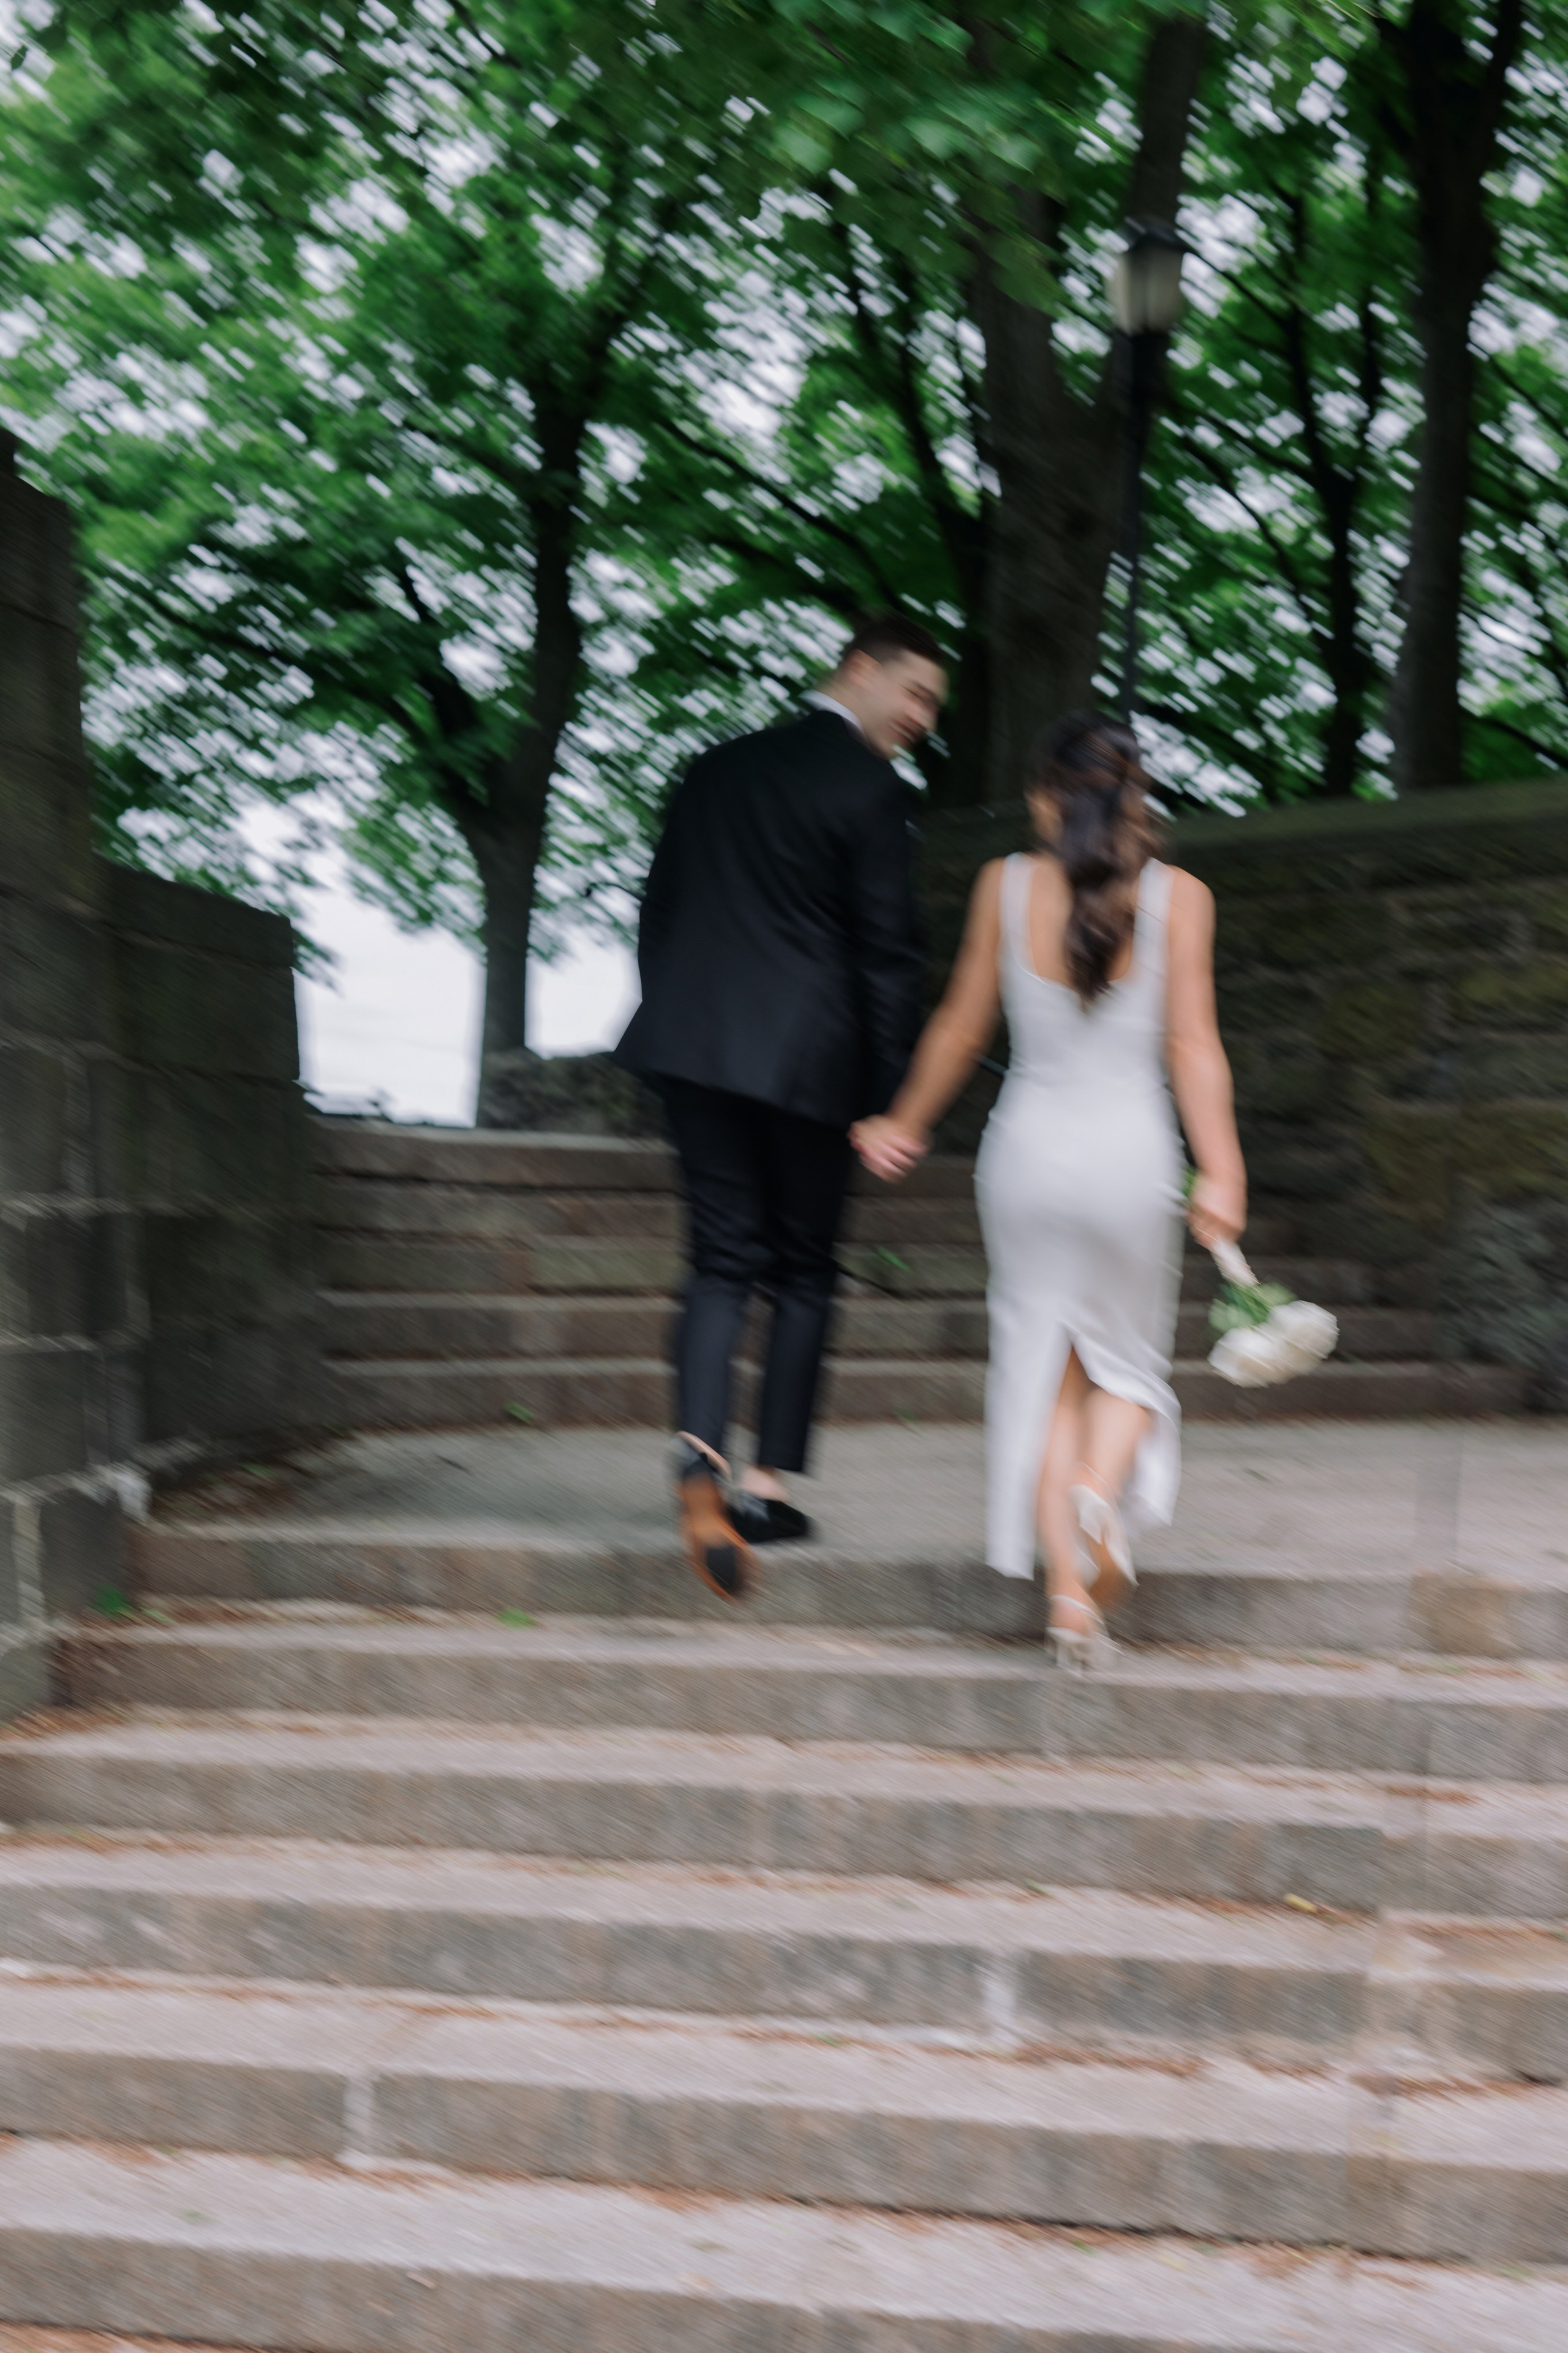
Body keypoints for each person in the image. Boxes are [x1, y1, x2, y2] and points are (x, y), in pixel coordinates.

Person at [853, 712, 1246, 1669]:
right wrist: (1224, 1165)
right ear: (1137, 794)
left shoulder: (1005, 884)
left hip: (1026, 1156)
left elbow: (958, 1023)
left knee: (1042, 1376)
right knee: (1130, 1368)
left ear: (1042, 795)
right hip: (1130, 1156)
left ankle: (1071, 1599)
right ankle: (1100, 1499)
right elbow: (1194, 1044)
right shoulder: (1180, 897)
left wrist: (903, 1119)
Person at [615, 615, 946, 1599]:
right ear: (859, 670)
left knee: (719, 1260)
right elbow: (889, 955)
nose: (923, 718)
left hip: (693, 1042)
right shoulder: (873, 789)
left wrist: (680, 1020)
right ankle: (763, 1485)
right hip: (810, 1063)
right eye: (916, 693)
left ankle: (698, 1455)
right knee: (802, 1267)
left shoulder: (713, 768)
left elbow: (659, 910)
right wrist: (889, 1098)